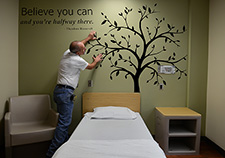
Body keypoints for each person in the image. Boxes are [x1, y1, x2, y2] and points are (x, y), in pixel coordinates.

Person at [46, 31, 102, 158]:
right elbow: (91, 66)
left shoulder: (66, 53)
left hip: (59, 92)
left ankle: (64, 150)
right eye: (83, 49)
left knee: (63, 122)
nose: (85, 49)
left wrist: (88, 38)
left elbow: (79, 44)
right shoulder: (77, 60)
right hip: (65, 93)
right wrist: (97, 60)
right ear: (78, 53)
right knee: (64, 124)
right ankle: (52, 153)